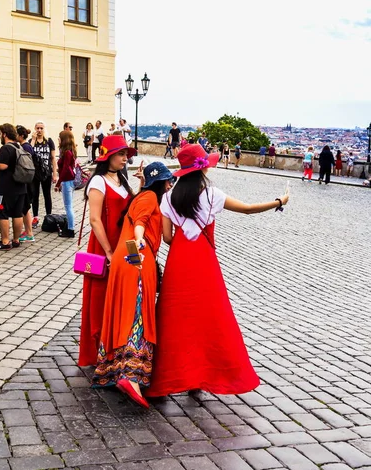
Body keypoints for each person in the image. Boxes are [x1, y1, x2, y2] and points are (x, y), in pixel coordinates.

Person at [146, 143, 289, 399]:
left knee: (173, 317)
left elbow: (167, 237)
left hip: (179, 261)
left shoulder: (168, 198)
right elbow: (247, 209)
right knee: (208, 317)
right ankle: (198, 380)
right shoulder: (212, 195)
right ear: (202, 170)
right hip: (204, 261)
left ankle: (166, 375)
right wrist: (279, 201)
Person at [92, 161, 174, 408]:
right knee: (136, 313)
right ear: (161, 183)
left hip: (125, 256)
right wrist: (139, 243)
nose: (171, 184)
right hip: (137, 258)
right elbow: (140, 222)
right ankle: (131, 377)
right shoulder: (149, 198)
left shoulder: (142, 195)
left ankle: (115, 370)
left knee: (123, 310)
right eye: (169, 181)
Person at [78, 135, 136, 367]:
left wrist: (141, 187)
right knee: (101, 297)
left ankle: (118, 344)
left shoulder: (122, 180)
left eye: (126, 155)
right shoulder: (98, 182)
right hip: (105, 247)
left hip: (124, 245)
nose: (125, 158)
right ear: (108, 156)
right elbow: (95, 220)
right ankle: (100, 349)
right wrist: (109, 252)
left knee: (123, 295)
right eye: (121, 154)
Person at [0, 123, 28, 250]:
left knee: (1, 213)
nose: (0, 136)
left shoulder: (6, 148)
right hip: (20, 186)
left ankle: (5, 242)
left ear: (4, 134)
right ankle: (16, 240)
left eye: (0, 133)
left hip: (6, 188)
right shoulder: (19, 146)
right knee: (17, 214)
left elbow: (3, 166)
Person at [30, 122, 57, 228]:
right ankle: (35, 217)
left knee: (47, 195)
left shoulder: (49, 141)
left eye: (41, 128)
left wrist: (55, 173)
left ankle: (48, 216)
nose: (39, 130)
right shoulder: (32, 141)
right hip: (35, 172)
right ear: (35, 129)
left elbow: (53, 158)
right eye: (37, 128)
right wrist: (32, 139)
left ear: (44, 129)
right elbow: (29, 153)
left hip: (46, 172)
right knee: (34, 195)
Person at [55, 131, 77, 238]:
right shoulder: (67, 151)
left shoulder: (67, 153)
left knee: (68, 206)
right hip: (68, 180)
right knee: (69, 206)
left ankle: (70, 229)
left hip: (67, 181)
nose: (58, 139)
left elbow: (65, 169)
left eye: (59, 137)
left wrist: (59, 183)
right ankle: (69, 227)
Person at [16, 126, 35, 242]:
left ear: (21, 136)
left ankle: (29, 233)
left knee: (25, 208)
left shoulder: (25, 147)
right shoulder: (26, 146)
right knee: (25, 208)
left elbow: (26, 166)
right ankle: (28, 231)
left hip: (27, 181)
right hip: (28, 181)